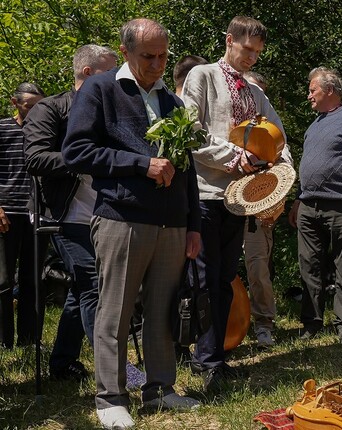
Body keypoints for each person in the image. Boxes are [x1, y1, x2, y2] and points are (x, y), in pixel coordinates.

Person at [62, 19, 202, 429]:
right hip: (121, 219)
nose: (158, 65)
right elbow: (76, 151)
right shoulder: (100, 89)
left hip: (172, 224)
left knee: (162, 310)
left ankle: (160, 390)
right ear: (125, 52)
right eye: (148, 57)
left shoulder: (174, 104)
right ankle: (111, 397)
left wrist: (192, 223)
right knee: (115, 311)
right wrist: (140, 164)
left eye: (163, 56)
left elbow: (188, 168)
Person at [181, 16, 291, 390]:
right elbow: (188, 130)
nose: (253, 58)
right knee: (205, 278)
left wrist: (282, 176)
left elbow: (280, 141)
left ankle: (215, 358)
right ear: (229, 40)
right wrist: (233, 155)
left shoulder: (255, 92)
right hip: (206, 194)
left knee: (225, 278)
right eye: (248, 49)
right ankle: (203, 358)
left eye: (258, 53)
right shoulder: (203, 76)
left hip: (241, 200)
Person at [23, 44, 117, 380]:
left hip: (106, 214)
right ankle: (115, 373)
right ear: (89, 74)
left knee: (81, 289)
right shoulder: (50, 108)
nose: (119, 78)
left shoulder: (112, 110)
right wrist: (84, 157)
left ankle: (62, 364)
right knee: (94, 284)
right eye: (111, 71)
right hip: (61, 216)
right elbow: (35, 158)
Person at [287, 67, 342, 340]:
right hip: (308, 205)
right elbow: (308, 166)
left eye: (313, 90)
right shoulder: (314, 125)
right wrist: (298, 200)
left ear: (330, 90)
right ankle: (311, 322)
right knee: (308, 264)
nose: (308, 95)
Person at [0, 82, 45, 349]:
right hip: (7, 213)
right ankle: (4, 342)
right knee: (4, 281)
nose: (35, 111)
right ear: (15, 103)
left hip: (36, 213)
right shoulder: (3, 128)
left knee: (33, 280)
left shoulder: (44, 132)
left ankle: (30, 341)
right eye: (30, 106)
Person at [238, 70, 279, 349]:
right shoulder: (228, 125)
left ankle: (264, 323)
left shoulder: (271, 132)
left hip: (257, 211)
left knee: (257, 268)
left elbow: (284, 159)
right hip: (222, 205)